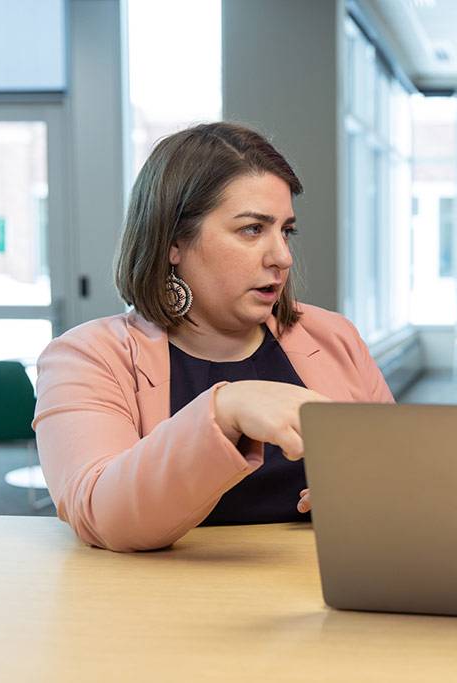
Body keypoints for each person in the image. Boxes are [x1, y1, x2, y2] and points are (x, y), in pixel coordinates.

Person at [34, 122, 393, 552]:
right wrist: (224, 411)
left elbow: (399, 473)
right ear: (173, 242)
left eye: (286, 231)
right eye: (252, 229)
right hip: (157, 594)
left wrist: (372, 495)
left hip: (313, 587)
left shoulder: (335, 337)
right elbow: (100, 516)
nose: (282, 257)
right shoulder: (85, 357)